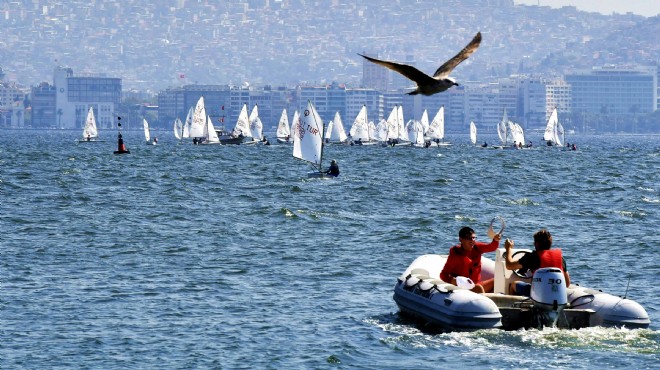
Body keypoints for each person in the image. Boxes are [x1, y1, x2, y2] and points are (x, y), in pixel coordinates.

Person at [504, 229, 570, 296]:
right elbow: (567, 283)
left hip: (538, 294)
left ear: (536, 243)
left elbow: (509, 265)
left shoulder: (532, 257)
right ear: (550, 243)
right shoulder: (561, 258)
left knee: (513, 285)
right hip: (557, 295)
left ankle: (513, 305)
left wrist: (508, 248)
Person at [440, 226, 501, 293]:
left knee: (497, 280)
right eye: (468, 238)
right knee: (478, 288)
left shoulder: (477, 248)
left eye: (473, 238)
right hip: (461, 289)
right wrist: (453, 281)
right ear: (461, 240)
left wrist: (495, 240)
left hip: (475, 286)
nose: (472, 241)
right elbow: (443, 274)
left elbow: (492, 247)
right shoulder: (455, 254)